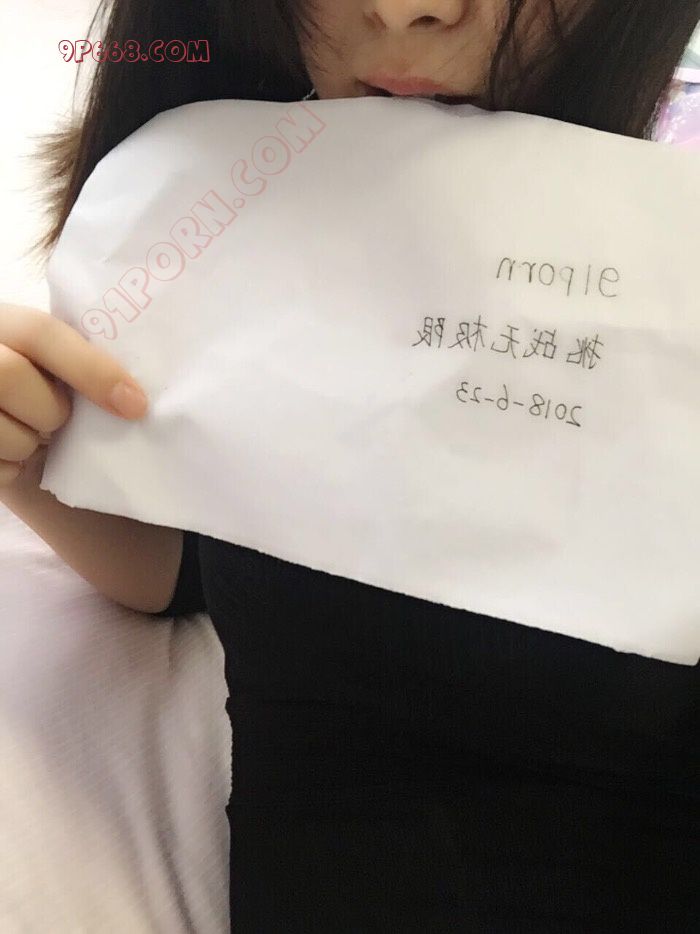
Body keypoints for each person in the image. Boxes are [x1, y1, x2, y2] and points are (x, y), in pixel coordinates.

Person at [1, 2, 699, 930]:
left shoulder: (669, 258)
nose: (407, 4)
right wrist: (26, 458)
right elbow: (190, 570)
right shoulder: (222, 199)